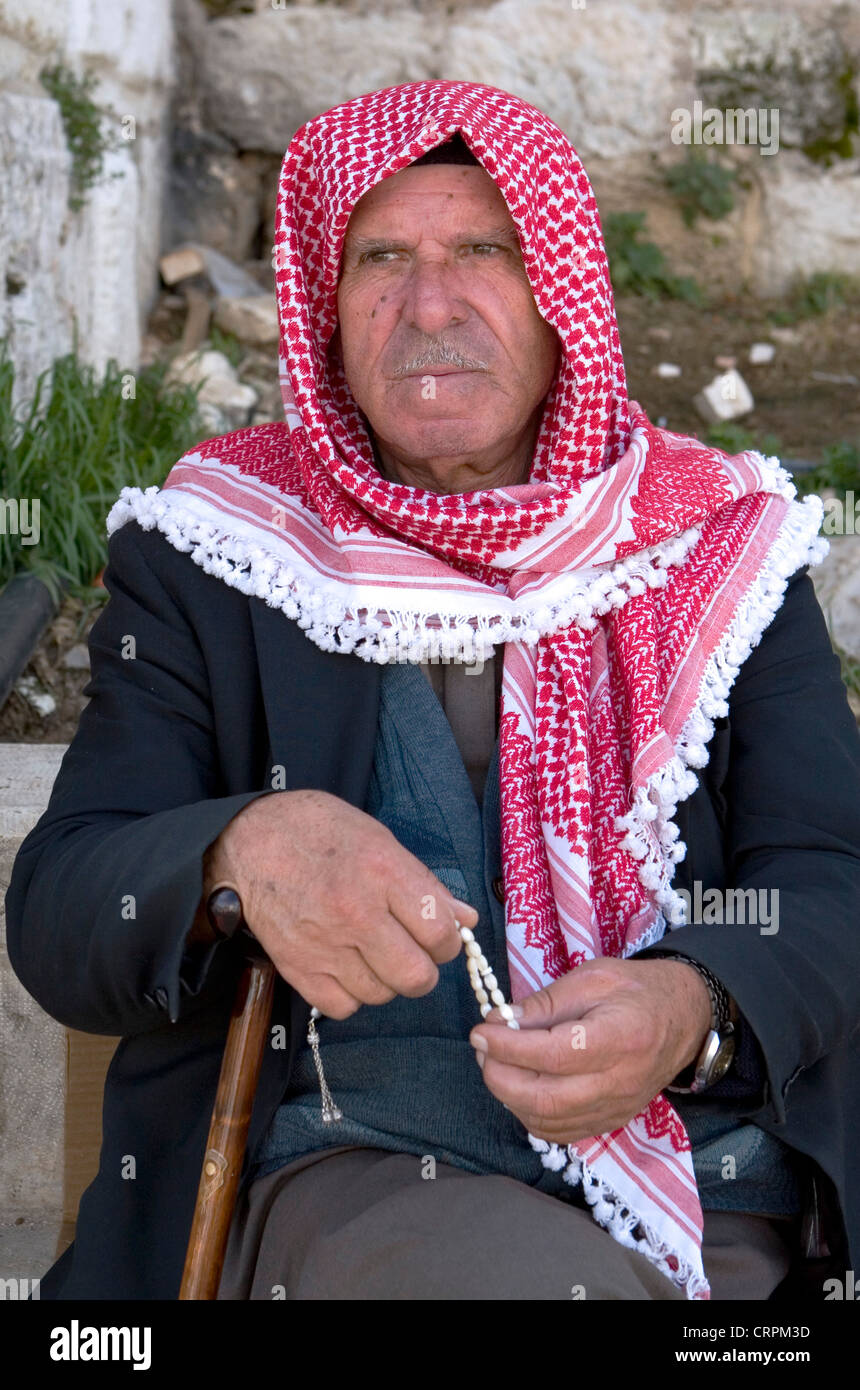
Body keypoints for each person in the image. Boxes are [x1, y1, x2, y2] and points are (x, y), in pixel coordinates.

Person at [6, 80, 860, 1302]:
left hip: (703, 1193)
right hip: (364, 1187)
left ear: (556, 290)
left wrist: (691, 1006)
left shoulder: (713, 541)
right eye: (380, 259)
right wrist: (235, 852)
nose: (429, 305)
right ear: (323, 303)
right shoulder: (219, 550)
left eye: (482, 252)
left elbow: (826, 879)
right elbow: (60, 911)